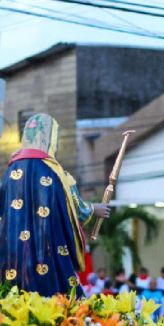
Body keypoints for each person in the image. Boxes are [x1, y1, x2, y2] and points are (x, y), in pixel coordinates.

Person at [0, 114, 110, 297]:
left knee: (12, 294)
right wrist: (93, 209)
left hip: (14, 252)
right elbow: (70, 203)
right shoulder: (53, 171)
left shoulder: (10, 171)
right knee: (58, 295)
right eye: (55, 139)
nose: (56, 145)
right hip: (47, 246)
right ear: (46, 138)